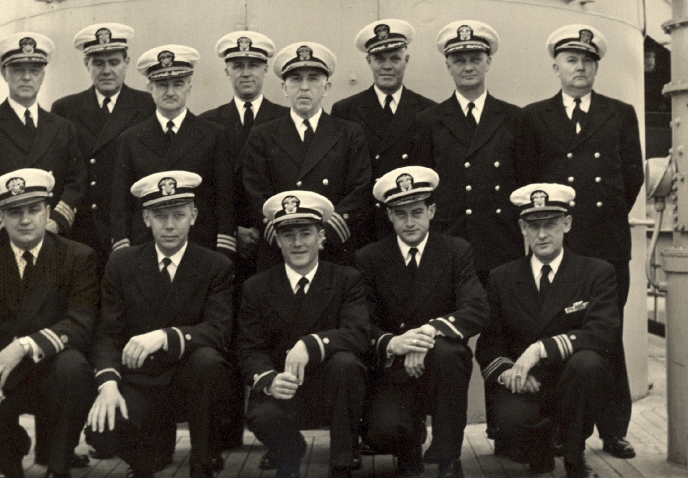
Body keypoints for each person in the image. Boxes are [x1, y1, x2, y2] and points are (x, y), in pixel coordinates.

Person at [516, 24, 644, 459]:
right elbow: (526, 176)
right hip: (557, 247)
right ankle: (558, 425)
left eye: (588, 60)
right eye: (572, 59)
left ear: (596, 67)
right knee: (556, 331)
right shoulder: (534, 116)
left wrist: (597, 219)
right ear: (556, 66)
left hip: (605, 245)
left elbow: (632, 177)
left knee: (607, 336)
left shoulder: (620, 112)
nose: (581, 67)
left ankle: (613, 429)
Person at [0, 169, 98, 478]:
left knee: (75, 370)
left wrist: (23, 346)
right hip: (0, 379)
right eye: (14, 212)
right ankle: (9, 453)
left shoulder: (77, 257)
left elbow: (81, 323)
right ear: (1, 216)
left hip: (52, 376)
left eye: (33, 210)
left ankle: (58, 464)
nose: (25, 220)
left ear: (47, 212)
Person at [85, 171, 234, 478]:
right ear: (145, 218)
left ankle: (202, 463)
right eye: (160, 216)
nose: (169, 225)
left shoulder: (215, 266)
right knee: (103, 432)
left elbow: (218, 331)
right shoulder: (122, 263)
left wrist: (165, 337)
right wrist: (109, 384)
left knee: (208, 361)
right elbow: (107, 334)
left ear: (193, 216)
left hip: (190, 384)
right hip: (141, 382)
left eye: (178, 215)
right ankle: (143, 464)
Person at [475, 183, 622, 478]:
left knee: (589, 363)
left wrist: (540, 348)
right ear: (522, 228)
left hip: (571, 383)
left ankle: (573, 457)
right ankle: (538, 454)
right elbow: (489, 343)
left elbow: (604, 333)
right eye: (533, 226)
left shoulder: (595, 272)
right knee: (511, 423)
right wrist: (510, 373)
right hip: (524, 384)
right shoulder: (502, 278)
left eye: (551, 224)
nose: (542, 235)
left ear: (566, 224)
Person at [354, 166, 488, 478]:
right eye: (401, 214)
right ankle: (408, 449)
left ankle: (448, 457)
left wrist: (427, 334)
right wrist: (395, 343)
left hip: (439, 366)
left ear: (432, 210)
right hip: (394, 367)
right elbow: (362, 321)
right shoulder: (370, 258)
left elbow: (476, 309)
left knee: (450, 355)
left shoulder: (455, 250)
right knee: (381, 431)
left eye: (417, 211)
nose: (410, 222)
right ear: (389, 216)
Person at [237, 191, 370, 478]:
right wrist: (269, 380)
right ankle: (289, 456)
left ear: (321, 237)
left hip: (331, 390)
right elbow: (248, 349)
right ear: (277, 241)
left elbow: (358, 333)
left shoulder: (346, 279)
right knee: (261, 416)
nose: (297, 243)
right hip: (283, 390)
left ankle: (342, 464)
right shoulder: (257, 287)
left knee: (346, 364)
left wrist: (311, 343)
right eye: (288, 235)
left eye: (305, 233)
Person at [199, 31, 289, 449]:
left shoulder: (284, 118)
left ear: (266, 69)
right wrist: (233, 229)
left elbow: (284, 182)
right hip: (226, 246)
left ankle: (271, 426)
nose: (246, 72)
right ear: (227, 71)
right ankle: (226, 428)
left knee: (267, 331)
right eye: (238, 66)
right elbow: (210, 189)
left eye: (254, 65)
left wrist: (262, 227)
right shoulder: (209, 122)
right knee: (229, 331)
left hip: (275, 246)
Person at [410, 20, 525, 287]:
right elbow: (423, 189)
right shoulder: (428, 121)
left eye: (476, 58)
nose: (469, 67)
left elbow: (525, 180)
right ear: (448, 66)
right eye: (459, 61)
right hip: (448, 243)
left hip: (501, 245)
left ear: (489, 63)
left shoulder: (514, 118)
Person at [242, 42, 372, 269]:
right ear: (284, 88)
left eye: (313, 79)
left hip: (333, 250)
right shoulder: (262, 135)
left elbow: (360, 188)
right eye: (295, 80)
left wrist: (324, 235)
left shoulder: (349, 133)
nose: (304, 87)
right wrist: (284, 236)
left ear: (326, 87)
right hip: (280, 251)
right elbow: (254, 191)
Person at [0, 32, 85, 252]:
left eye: (34, 70)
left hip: (50, 237)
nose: (27, 77)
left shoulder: (62, 127)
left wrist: (56, 220)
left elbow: (76, 181)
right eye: (18, 70)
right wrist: (10, 226)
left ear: (43, 75)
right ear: (4, 73)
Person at [51, 23, 156, 276]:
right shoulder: (65, 109)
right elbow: (61, 172)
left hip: (133, 228)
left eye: (114, 62)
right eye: (98, 63)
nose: (107, 70)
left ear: (126, 62)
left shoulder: (147, 106)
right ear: (86, 64)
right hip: (83, 228)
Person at [110, 44, 236, 256]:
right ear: (150, 88)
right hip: (145, 246)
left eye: (178, 84)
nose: (170, 92)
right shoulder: (130, 139)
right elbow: (120, 202)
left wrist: (223, 247)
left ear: (189, 87)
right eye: (161, 84)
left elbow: (225, 199)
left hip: (200, 246)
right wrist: (123, 248)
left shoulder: (213, 135)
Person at [331, 19, 437, 241]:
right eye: (379, 59)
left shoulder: (428, 110)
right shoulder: (345, 110)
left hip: (409, 223)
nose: (387, 66)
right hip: (364, 225)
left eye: (395, 59)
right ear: (369, 61)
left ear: (406, 61)